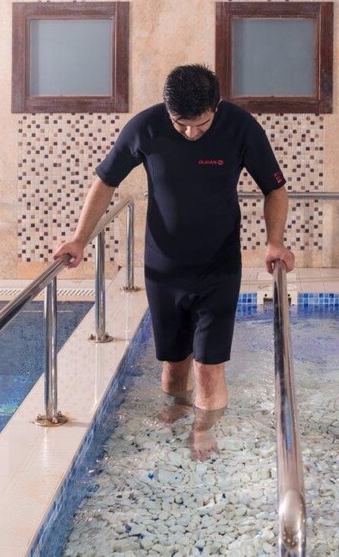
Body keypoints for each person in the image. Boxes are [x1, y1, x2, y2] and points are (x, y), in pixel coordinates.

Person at [53, 64, 294, 460]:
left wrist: (274, 242)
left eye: (201, 124)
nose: (190, 133)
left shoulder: (240, 127)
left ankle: (204, 429)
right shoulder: (145, 127)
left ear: (216, 106)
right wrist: (79, 238)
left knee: (208, 366)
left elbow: (275, 188)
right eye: (181, 124)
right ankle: (179, 412)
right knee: (174, 363)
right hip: (163, 269)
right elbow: (106, 182)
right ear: (168, 110)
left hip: (219, 267)